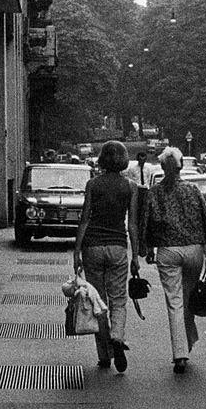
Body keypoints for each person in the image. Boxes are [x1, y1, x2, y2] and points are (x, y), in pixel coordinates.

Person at [142, 146, 206, 374]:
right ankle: (188, 339)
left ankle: (180, 353)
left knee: (175, 302)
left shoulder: (155, 192)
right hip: (194, 250)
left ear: (163, 167)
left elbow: (148, 222)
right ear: (181, 165)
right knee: (189, 296)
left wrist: (149, 248)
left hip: (168, 251)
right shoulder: (193, 190)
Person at [74, 140, 140, 372]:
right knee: (118, 299)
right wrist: (136, 256)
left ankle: (104, 355)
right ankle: (118, 337)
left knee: (97, 301)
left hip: (92, 246)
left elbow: (84, 219)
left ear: (102, 159)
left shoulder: (92, 184)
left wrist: (76, 252)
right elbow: (132, 224)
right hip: (118, 247)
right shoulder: (130, 187)